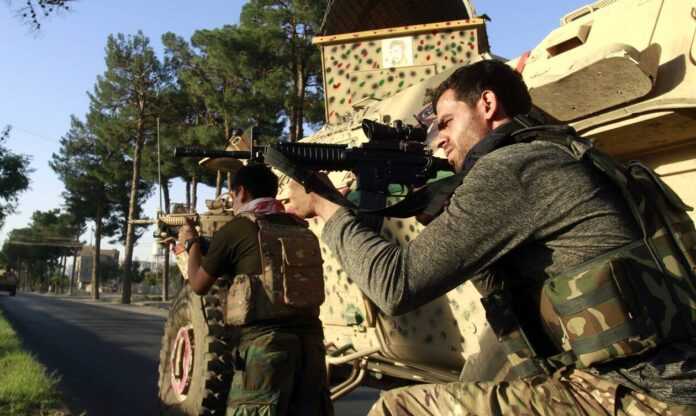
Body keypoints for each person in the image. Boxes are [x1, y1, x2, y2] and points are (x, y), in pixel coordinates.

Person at [285, 60, 696, 415]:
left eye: (447, 122)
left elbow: (394, 286)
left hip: (639, 396)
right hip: (660, 382)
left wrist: (327, 208)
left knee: (398, 408)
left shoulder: (512, 169)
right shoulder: (560, 152)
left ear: (487, 104)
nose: (439, 139)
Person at [178, 163, 333, 416]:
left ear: (241, 192)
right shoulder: (299, 227)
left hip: (265, 349)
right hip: (311, 349)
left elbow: (198, 284)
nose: (232, 203)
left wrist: (192, 242)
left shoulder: (237, 229)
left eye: (232, 196)